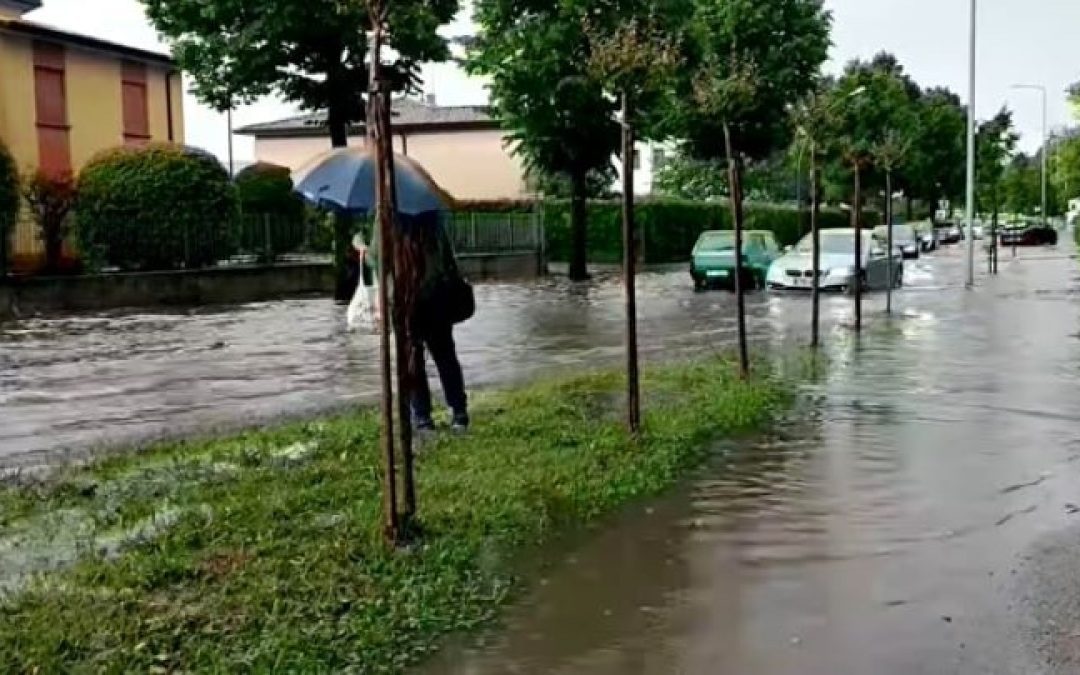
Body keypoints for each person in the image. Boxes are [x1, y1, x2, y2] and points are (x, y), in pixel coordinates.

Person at [361, 216, 470, 431]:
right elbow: (447, 258)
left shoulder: (385, 215)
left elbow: (378, 259)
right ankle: (458, 413)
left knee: (412, 360)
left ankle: (422, 418)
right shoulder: (430, 214)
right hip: (434, 294)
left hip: (404, 298)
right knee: (445, 355)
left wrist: (364, 252)